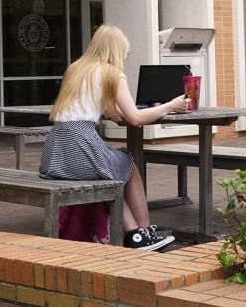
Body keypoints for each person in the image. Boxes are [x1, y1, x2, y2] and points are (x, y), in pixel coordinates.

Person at [41, 24, 186, 251]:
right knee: (127, 163)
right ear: (116, 51)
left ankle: (136, 233)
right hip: (82, 145)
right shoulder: (112, 74)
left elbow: (99, 107)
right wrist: (170, 105)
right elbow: (136, 118)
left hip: (56, 153)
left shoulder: (75, 69)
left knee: (111, 171)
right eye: (125, 53)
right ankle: (143, 232)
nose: (125, 58)